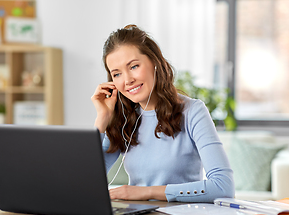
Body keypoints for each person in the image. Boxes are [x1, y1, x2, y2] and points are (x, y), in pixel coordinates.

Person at [91, 24, 234, 202]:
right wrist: (102, 119)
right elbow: (86, 181)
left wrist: (148, 192)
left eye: (134, 66)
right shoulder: (124, 118)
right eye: (117, 74)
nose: (127, 80)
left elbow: (223, 187)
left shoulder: (193, 112)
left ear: (155, 63)